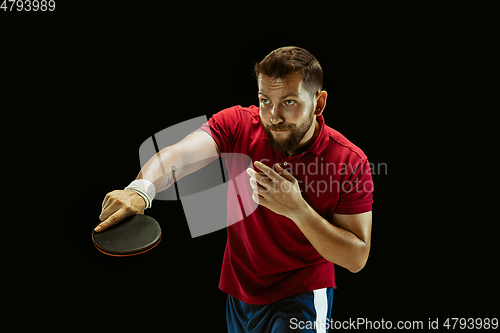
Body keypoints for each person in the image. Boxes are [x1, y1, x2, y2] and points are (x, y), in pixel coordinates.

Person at [96, 46, 373, 333]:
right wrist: (140, 189)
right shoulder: (239, 124)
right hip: (240, 293)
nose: (274, 116)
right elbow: (179, 155)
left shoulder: (350, 161)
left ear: (318, 103)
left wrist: (298, 210)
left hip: (300, 296)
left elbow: (356, 258)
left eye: (289, 102)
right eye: (265, 100)